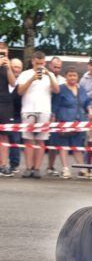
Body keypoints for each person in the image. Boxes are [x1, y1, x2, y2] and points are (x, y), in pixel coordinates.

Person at [17, 50, 60, 178]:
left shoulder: (50, 74)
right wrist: (32, 78)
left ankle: (37, 168)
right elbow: (20, 91)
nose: (39, 66)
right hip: (28, 109)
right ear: (33, 62)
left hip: (44, 110)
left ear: (45, 63)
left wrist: (49, 76)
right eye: (37, 63)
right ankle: (28, 167)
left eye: (41, 63)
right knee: (28, 140)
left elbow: (56, 90)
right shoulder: (25, 74)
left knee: (41, 141)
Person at [52, 68, 92, 179]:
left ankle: (82, 169)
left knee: (77, 147)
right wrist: (53, 121)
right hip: (63, 122)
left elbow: (86, 103)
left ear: (77, 77)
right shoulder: (61, 89)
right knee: (63, 146)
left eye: (74, 75)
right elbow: (54, 106)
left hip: (78, 123)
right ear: (66, 77)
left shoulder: (81, 89)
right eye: (70, 75)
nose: (72, 78)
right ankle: (65, 169)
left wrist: (90, 110)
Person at [45, 56, 66, 176]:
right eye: (55, 66)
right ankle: (48, 166)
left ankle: (51, 166)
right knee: (47, 142)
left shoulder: (63, 80)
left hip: (59, 114)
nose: (57, 69)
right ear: (49, 66)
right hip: (47, 111)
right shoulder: (45, 78)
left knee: (56, 142)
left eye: (59, 67)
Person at [0, 42, 16, 177]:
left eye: (4, 52)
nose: (3, 55)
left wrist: (9, 67)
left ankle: (4, 165)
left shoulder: (7, 66)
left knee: (4, 135)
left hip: (5, 103)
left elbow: (13, 83)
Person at [8, 58, 23, 173]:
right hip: (3, 112)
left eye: (18, 67)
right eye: (14, 66)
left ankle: (14, 164)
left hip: (16, 114)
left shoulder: (22, 81)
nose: (16, 69)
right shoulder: (3, 78)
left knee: (15, 140)